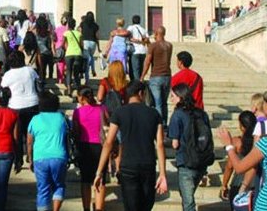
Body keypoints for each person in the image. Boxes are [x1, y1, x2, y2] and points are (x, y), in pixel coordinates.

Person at [94, 80, 168, 211]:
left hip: (128, 164)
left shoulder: (119, 113)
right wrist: (162, 173)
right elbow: (160, 144)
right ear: (141, 93)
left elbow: (109, 142)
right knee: (146, 205)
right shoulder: (154, 113)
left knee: (131, 205)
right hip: (148, 164)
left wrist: (99, 172)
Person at [168, 84, 213, 211]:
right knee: (188, 197)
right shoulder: (202, 113)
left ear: (180, 97)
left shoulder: (177, 115)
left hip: (186, 161)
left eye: (173, 96)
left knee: (188, 202)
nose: (171, 99)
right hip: (202, 160)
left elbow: (175, 143)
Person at [27, 91, 68, 211]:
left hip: (40, 157)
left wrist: (30, 158)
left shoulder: (35, 119)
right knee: (59, 185)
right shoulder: (62, 118)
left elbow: (29, 142)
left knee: (42, 189)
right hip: (59, 156)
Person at [1, 51, 39, 170]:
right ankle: (31, 156)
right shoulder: (30, 71)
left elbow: (3, 88)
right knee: (31, 132)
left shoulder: (8, 74)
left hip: (15, 106)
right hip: (32, 103)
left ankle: (18, 159)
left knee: (16, 135)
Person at [73, 86, 109, 211]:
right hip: (100, 147)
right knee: (101, 179)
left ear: (82, 98)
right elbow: (107, 126)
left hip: (84, 147)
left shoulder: (78, 112)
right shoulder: (102, 109)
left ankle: (86, 208)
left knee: (85, 180)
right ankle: (99, 208)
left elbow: (76, 132)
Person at [220, 111, 257, 209]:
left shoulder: (236, 142)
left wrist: (224, 185)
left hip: (238, 183)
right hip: (255, 183)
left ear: (242, 126)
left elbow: (229, 166)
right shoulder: (258, 142)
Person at [140, 25, 173, 128]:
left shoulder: (153, 46)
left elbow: (148, 61)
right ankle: (164, 123)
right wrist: (149, 43)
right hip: (167, 76)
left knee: (157, 103)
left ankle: (159, 125)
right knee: (164, 103)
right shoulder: (169, 45)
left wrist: (142, 76)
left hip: (156, 76)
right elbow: (158, 50)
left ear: (156, 33)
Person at [63, 18, 83, 97]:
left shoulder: (66, 33)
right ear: (75, 25)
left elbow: (64, 44)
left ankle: (69, 88)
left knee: (69, 71)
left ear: (68, 25)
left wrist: (67, 49)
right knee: (76, 73)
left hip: (69, 53)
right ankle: (78, 89)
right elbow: (81, 45)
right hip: (78, 53)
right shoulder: (79, 33)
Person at [79, 11, 100, 82]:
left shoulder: (82, 24)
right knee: (91, 56)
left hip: (85, 42)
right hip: (93, 42)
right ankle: (93, 69)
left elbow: (80, 33)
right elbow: (97, 36)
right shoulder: (96, 26)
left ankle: (87, 78)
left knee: (86, 59)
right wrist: (99, 47)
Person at [126, 15, 149, 82]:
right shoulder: (143, 29)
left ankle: (136, 86)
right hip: (143, 51)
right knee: (141, 70)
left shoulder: (131, 27)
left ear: (132, 21)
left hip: (135, 51)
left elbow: (127, 35)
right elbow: (147, 40)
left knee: (135, 70)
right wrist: (142, 41)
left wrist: (134, 40)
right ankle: (141, 84)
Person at [34, 15, 54, 82]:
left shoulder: (36, 32)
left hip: (39, 54)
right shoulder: (48, 33)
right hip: (48, 53)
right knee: (50, 69)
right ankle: (50, 81)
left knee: (41, 69)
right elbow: (52, 42)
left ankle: (42, 82)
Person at [53, 15, 68, 85]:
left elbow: (54, 38)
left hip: (58, 47)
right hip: (66, 47)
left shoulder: (57, 29)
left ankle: (59, 79)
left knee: (59, 64)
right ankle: (65, 76)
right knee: (65, 64)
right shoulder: (68, 29)